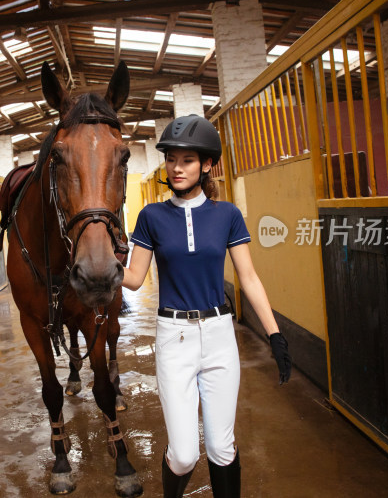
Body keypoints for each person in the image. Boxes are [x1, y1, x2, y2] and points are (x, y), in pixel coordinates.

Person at [122, 114, 292, 498]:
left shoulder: (227, 215)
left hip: (219, 336)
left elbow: (248, 277)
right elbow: (133, 278)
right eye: (171, 159)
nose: (177, 168)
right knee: (183, 455)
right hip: (174, 338)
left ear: (207, 164)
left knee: (221, 448)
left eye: (187, 160)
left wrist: (275, 334)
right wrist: (99, 269)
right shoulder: (151, 217)